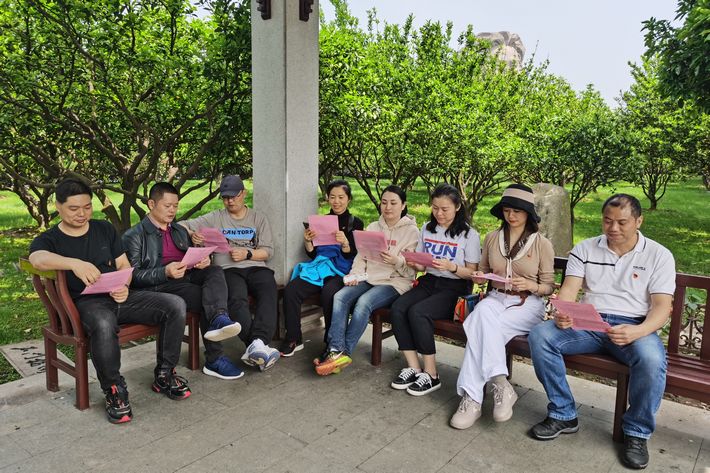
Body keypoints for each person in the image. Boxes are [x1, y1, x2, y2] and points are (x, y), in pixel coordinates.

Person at [527, 194, 675, 470]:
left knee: (652, 360)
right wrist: (564, 313)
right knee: (541, 336)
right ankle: (563, 413)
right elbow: (569, 290)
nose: (613, 228)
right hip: (589, 323)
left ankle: (637, 432)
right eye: (607, 221)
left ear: (639, 221)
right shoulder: (585, 249)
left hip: (633, 325)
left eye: (622, 222)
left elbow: (661, 308)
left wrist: (637, 331)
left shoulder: (659, 255)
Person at [29, 179, 191, 424]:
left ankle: (165, 374)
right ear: (58, 206)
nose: (82, 214)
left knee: (175, 305)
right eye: (74, 208)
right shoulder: (51, 239)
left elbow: (123, 265)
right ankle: (114, 389)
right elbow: (37, 259)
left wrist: (123, 285)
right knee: (104, 323)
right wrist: (74, 263)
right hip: (86, 305)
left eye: (87, 207)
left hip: (119, 296)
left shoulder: (103, 229)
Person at [450, 184, 554, 429]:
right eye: (507, 210)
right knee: (482, 315)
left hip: (528, 303)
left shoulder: (541, 243)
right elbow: (482, 272)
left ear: (528, 213)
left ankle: (472, 398)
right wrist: (479, 277)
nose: (511, 216)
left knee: (479, 327)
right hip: (496, 298)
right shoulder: (492, 238)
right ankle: (500, 383)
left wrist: (531, 284)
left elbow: (549, 287)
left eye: (517, 211)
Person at [122, 182, 244, 381]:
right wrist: (164, 272)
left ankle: (219, 318)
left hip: (186, 276)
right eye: (167, 206)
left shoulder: (178, 230)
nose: (172, 210)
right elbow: (133, 277)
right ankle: (215, 358)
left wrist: (202, 260)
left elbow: (189, 256)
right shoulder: (134, 236)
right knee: (206, 298)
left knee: (214, 270)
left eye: (176, 206)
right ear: (151, 204)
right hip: (160, 286)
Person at [180, 175, 281, 371]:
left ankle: (257, 343)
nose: (229, 201)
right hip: (228, 269)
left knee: (269, 291)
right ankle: (258, 346)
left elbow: (268, 251)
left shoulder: (258, 218)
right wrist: (192, 234)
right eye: (225, 197)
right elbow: (181, 224)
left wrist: (247, 253)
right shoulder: (215, 217)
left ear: (244, 193)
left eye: (233, 196)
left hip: (256, 266)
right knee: (236, 298)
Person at [315, 185, 419, 375]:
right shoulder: (373, 227)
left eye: (393, 203)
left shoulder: (412, 232)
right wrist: (355, 274)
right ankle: (336, 350)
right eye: (384, 202)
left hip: (395, 282)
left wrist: (396, 261)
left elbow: (411, 269)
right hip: (369, 277)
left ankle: (342, 353)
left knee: (363, 303)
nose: (388, 207)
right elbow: (360, 257)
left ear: (403, 205)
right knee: (340, 297)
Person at [390, 183, 480, 396]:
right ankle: (413, 367)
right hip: (430, 281)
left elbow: (472, 273)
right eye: (435, 208)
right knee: (398, 308)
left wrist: (452, 267)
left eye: (445, 209)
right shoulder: (427, 228)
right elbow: (422, 267)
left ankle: (431, 374)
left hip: (455, 287)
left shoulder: (469, 235)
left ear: (457, 207)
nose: (439, 213)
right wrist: (414, 262)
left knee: (418, 312)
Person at [279, 179, 364, 358]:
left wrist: (345, 243)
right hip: (320, 267)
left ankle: (331, 343)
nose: (336, 201)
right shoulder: (321, 221)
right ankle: (293, 338)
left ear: (349, 199)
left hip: (341, 270)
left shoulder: (355, 223)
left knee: (329, 293)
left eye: (341, 197)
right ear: (327, 198)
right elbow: (313, 254)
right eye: (332, 197)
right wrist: (307, 241)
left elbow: (354, 254)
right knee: (292, 290)